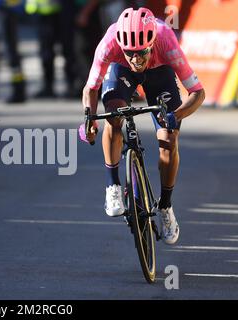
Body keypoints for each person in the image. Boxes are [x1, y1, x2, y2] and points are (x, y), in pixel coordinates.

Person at [82, 7, 205, 244]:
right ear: (121, 45)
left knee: (169, 138)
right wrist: (88, 119)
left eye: (141, 53)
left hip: (159, 72)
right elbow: (91, 88)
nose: (136, 60)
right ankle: (113, 186)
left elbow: (198, 93)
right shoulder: (110, 42)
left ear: (152, 43)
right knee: (113, 116)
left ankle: (166, 207)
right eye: (130, 53)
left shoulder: (165, 38)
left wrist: (175, 116)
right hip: (121, 73)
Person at [26, 0, 79, 99]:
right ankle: (48, 87)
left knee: (68, 51)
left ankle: (71, 86)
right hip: (44, 12)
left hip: (63, 10)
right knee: (46, 53)